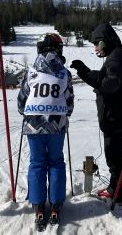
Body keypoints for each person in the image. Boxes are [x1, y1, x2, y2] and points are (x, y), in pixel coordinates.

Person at [70, 22, 122, 205]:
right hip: (120, 115)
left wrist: (90, 78)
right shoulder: (117, 55)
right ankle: (115, 188)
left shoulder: (115, 59)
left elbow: (109, 83)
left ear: (106, 41)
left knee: (115, 159)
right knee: (116, 157)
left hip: (116, 118)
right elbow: (104, 78)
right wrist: (85, 72)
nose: (95, 48)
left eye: (97, 43)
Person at [17, 33, 74, 229]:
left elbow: (22, 100)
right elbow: (69, 101)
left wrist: (24, 112)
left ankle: (39, 206)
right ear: (58, 50)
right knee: (56, 162)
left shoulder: (31, 71)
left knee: (37, 163)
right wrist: (65, 115)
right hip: (57, 123)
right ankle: (56, 205)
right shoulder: (65, 73)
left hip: (34, 123)